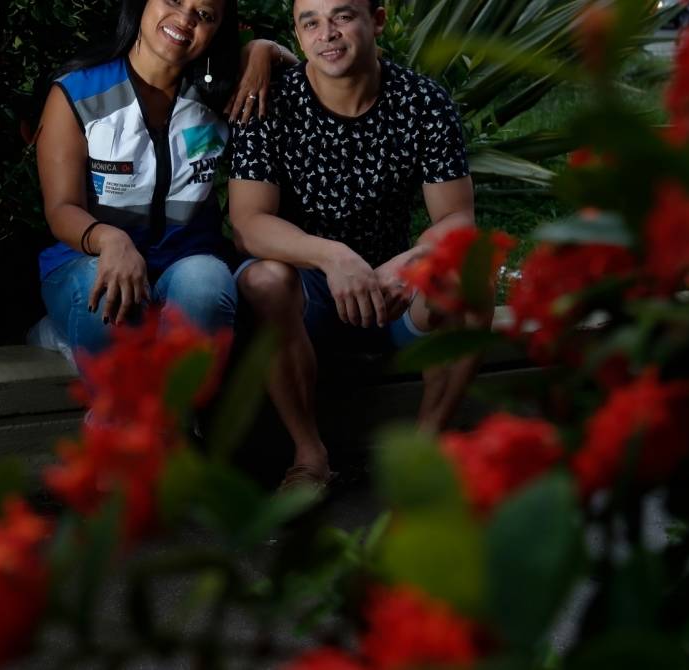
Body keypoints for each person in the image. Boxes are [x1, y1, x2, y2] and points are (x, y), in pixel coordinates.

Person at [229, 0, 480, 490]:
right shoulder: (271, 100)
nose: (328, 33)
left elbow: (457, 219)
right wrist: (334, 256)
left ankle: (424, 455)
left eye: (342, 16)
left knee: (465, 276)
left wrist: (408, 263)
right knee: (263, 278)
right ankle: (309, 457)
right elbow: (248, 224)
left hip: (392, 292)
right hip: (308, 298)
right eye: (311, 22)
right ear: (297, 36)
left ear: (377, 20)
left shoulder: (422, 101)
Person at [34, 0, 293, 357]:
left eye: (204, 16)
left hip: (186, 263)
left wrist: (264, 51)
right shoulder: (79, 93)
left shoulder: (219, 96)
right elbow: (62, 208)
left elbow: (308, 79)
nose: (185, 19)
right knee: (110, 300)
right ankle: (74, 337)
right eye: (173, 0)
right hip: (87, 259)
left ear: (216, 32)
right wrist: (111, 240)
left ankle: (172, 404)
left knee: (206, 288)